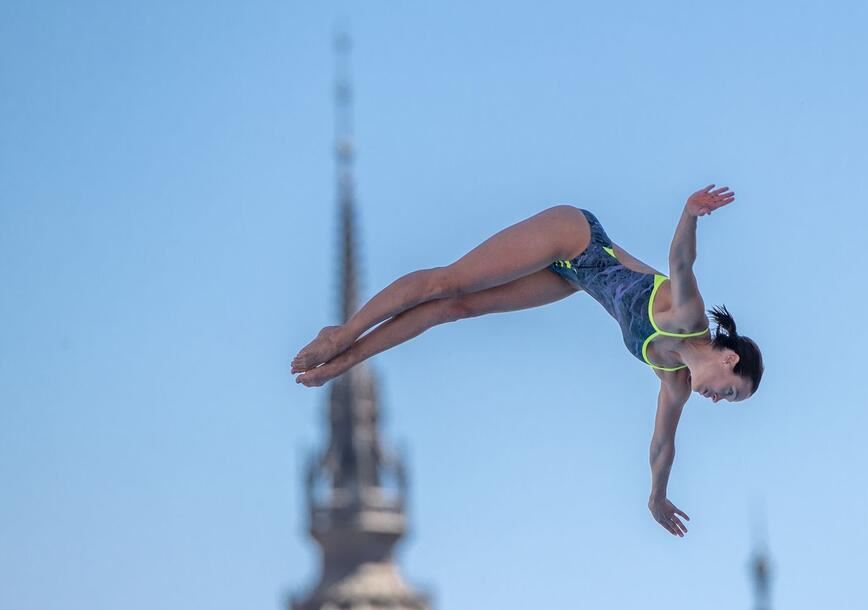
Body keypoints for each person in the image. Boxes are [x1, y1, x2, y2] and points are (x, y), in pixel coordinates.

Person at [291, 184, 763, 537]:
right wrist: (690, 213)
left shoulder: (673, 382)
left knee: (457, 309)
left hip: (571, 279)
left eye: (727, 401)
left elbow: (662, 445)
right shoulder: (688, 319)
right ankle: (342, 334)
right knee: (449, 284)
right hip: (573, 236)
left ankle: (346, 362)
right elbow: (681, 262)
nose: (718, 399)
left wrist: (656, 497)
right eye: (730, 390)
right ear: (728, 356)